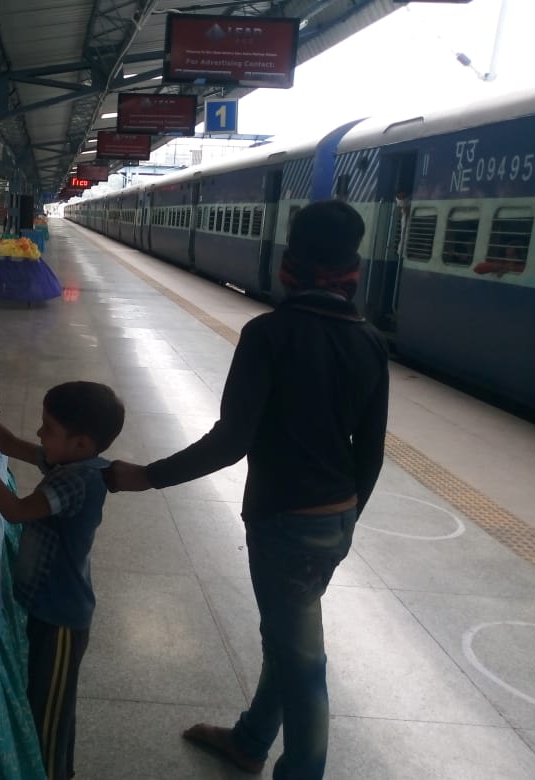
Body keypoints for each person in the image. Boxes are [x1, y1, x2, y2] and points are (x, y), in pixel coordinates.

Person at [106, 200, 389, 780]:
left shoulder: (269, 335)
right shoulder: (368, 342)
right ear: (352, 266)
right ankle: (251, 739)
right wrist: (346, 518)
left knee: (303, 661)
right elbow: (373, 452)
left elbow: (232, 440)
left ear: (290, 261)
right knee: (286, 638)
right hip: (334, 519)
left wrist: (146, 476)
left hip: (284, 521)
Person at [0, 382, 125, 780]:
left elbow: (16, 511)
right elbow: (15, 445)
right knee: (45, 700)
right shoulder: (71, 462)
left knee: (50, 714)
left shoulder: (77, 480)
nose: (39, 434)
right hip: (47, 606)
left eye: (48, 429)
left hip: (62, 618)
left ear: (82, 444)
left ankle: (51, 772)